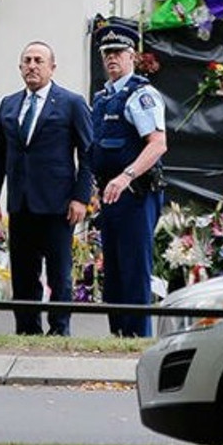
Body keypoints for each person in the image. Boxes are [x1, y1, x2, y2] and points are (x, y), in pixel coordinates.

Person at [0, 41, 93, 336]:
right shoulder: (9, 104)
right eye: (27, 60)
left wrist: (80, 198)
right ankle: (27, 330)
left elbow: (88, 154)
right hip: (20, 204)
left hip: (58, 206)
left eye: (39, 60)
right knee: (23, 274)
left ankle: (59, 330)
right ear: (20, 67)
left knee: (59, 274)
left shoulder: (71, 103)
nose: (32, 66)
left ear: (52, 67)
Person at [89, 20, 167, 338]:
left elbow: (158, 144)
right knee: (115, 270)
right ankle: (118, 335)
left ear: (132, 56)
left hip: (135, 194)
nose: (112, 58)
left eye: (119, 52)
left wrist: (126, 176)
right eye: (107, 52)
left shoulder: (141, 95)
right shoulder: (103, 97)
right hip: (110, 196)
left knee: (135, 268)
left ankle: (138, 338)